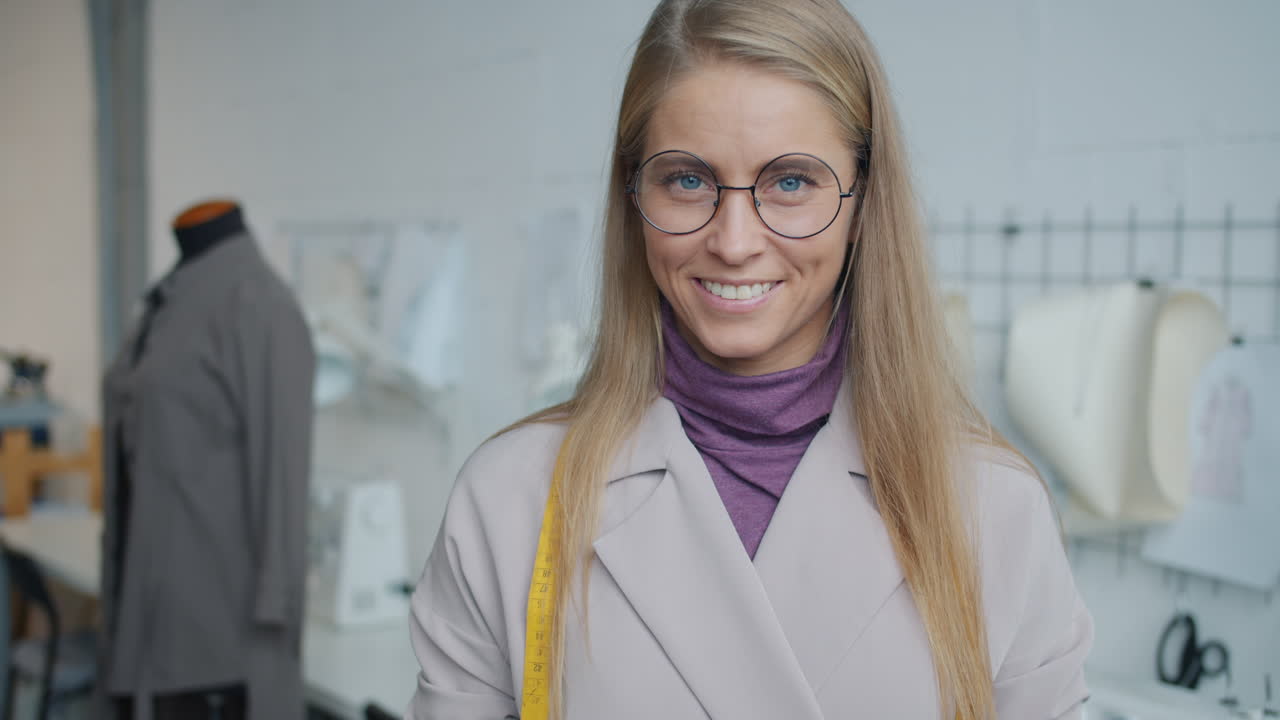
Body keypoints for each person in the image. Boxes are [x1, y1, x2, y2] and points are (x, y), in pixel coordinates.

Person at [406, 1, 1093, 718]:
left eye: (790, 182)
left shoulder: (993, 509)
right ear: (634, 195)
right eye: (689, 180)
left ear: (863, 202)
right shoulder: (511, 499)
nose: (734, 241)